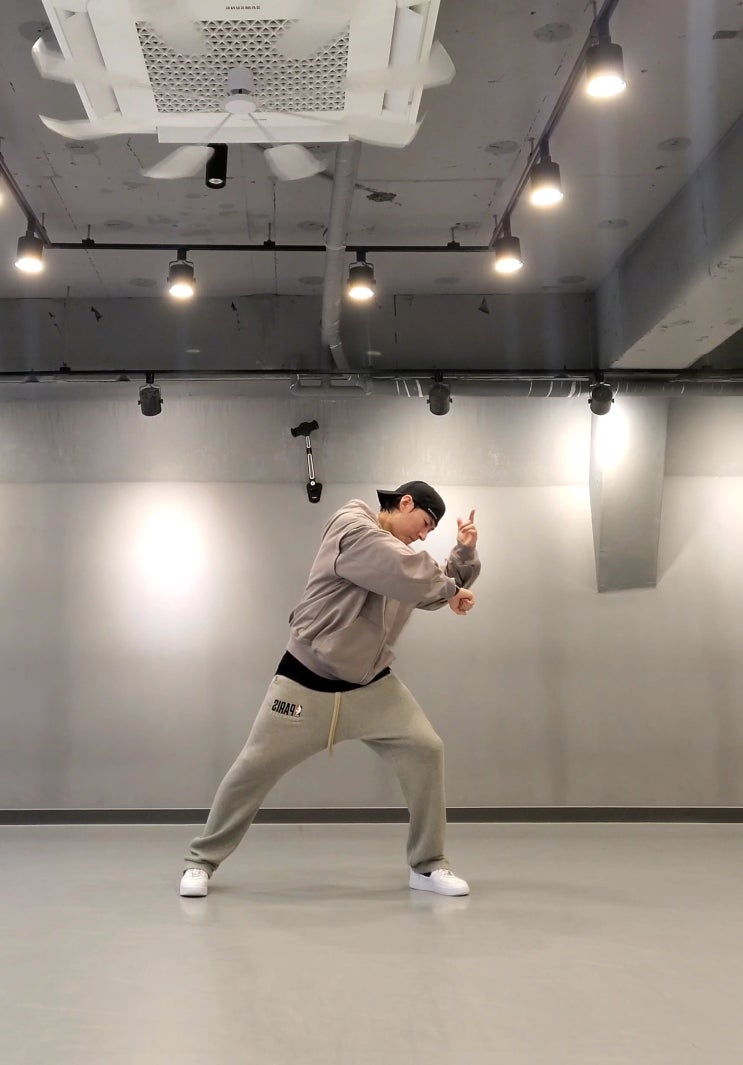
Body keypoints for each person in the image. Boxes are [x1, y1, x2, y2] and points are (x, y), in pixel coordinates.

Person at [180, 480, 480, 899]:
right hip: (306, 681)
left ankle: (428, 865)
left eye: (432, 531)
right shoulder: (352, 526)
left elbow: (432, 587)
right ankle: (200, 861)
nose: (425, 535)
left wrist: (463, 554)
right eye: (425, 524)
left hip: (371, 686)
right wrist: (449, 590)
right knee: (252, 768)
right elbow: (407, 572)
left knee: (426, 749)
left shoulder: (405, 563)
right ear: (404, 502)